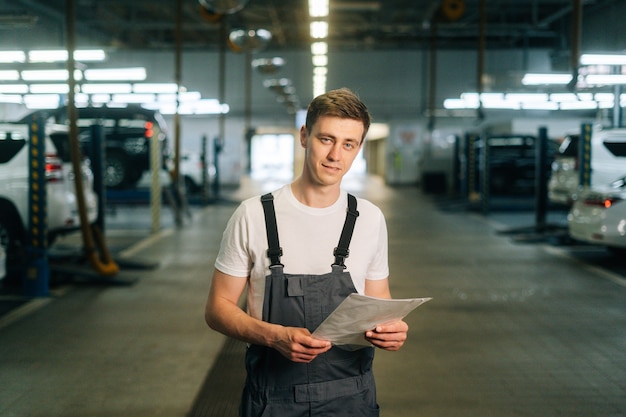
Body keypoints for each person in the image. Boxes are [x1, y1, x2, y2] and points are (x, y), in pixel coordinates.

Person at [205, 87, 409, 416]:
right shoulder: (253, 215)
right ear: (304, 136)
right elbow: (217, 308)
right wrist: (273, 337)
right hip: (272, 399)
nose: (335, 156)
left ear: (359, 148)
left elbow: (379, 303)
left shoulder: (369, 219)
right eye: (326, 139)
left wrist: (391, 330)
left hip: (351, 399)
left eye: (349, 144)